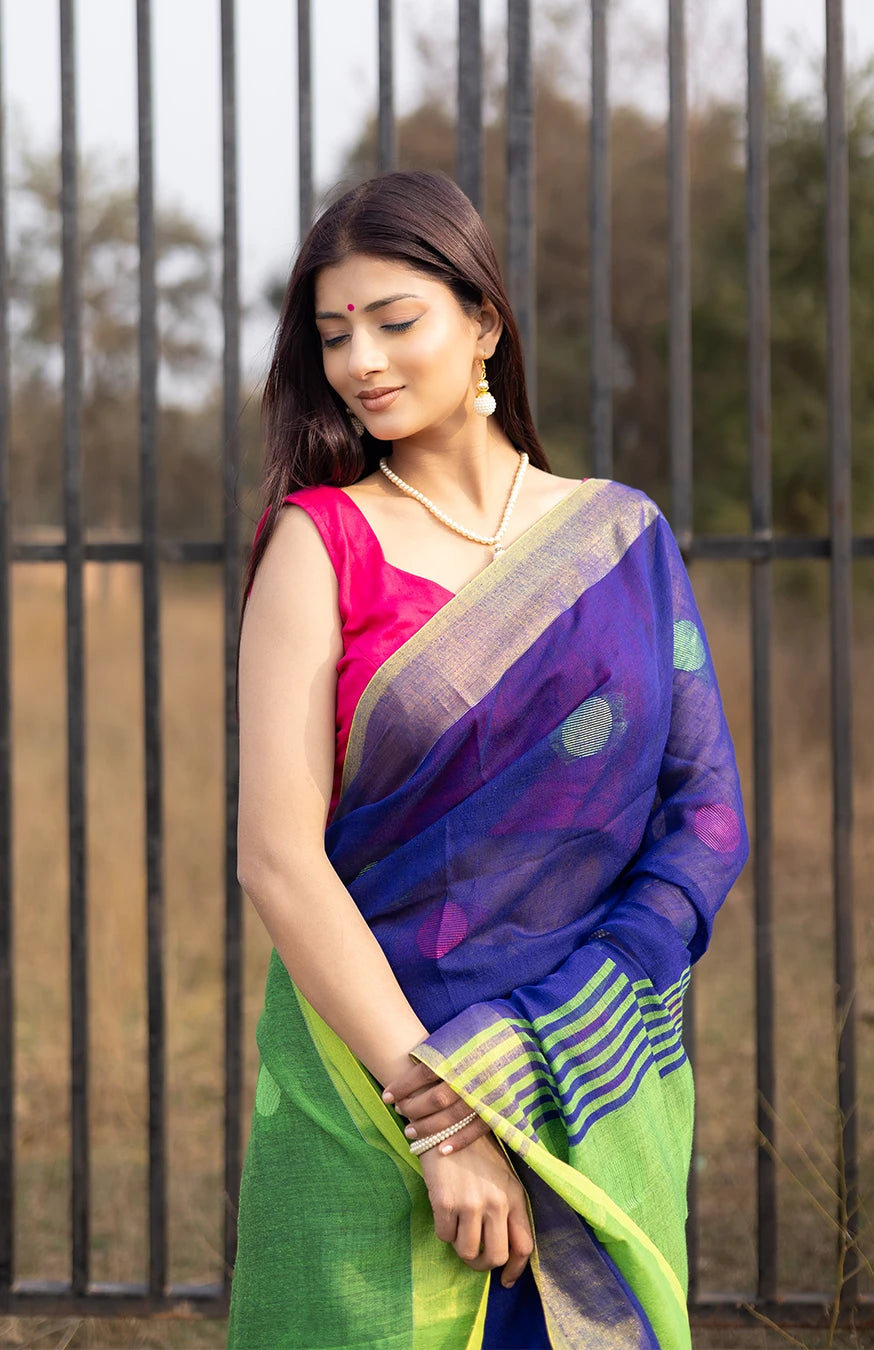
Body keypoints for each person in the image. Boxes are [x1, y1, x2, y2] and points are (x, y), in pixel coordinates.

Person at [228, 169, 748, 1350]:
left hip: (584, 1072)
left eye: (394, 321)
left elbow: (705, 811)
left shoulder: (621, 538)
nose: (361, 362)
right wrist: (445, 1118)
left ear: (485, 325)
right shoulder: (322, 544)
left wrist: (564, 1021)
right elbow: (277, 857)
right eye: (334, 334)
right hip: (377, 1089)